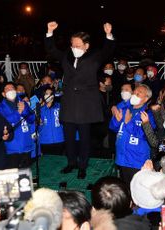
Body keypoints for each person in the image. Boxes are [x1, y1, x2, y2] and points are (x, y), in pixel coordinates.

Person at [45, 21, 115, 179]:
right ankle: (71, 163)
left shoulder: (95, 56)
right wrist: (49, 32)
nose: (74, 47)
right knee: (68, 136)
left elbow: (108, 50)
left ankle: (83, 165)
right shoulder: (67, 56)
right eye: (72, 44)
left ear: (86, 45)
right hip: (69, 102)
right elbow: (51, 49)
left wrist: (108, 35)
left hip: (86, 103)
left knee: (84, 137)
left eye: (77, 45)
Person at [109, 84, 156, 185]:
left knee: (137, 190)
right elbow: (112, 128)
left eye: (139, 93)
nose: (135, 94)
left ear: (146, 98)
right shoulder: (126, 109)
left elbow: (145, 135)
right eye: (134, 92)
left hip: (137, 160)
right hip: (122, 157)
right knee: (125, 188)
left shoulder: (148, 114)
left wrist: (129, 122)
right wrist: (116, 121)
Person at [0, 82, 35, 169]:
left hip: (26, 144)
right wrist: (18, 113)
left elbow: (32, 119)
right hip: (12, 148)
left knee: (26, 176)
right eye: (8, 89)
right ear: (3, 94)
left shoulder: (23, 102)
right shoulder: (0, 107)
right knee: (14, 176)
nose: (11, 91)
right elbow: (5, 122)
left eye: (12, 88)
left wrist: (24, 111)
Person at [39, 87, 64, 155]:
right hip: (45, 141)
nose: (49, 95)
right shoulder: (39, 109)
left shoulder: (60, 106)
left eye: (51, 94)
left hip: (59, 139)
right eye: (47, 94)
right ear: (43, 96)